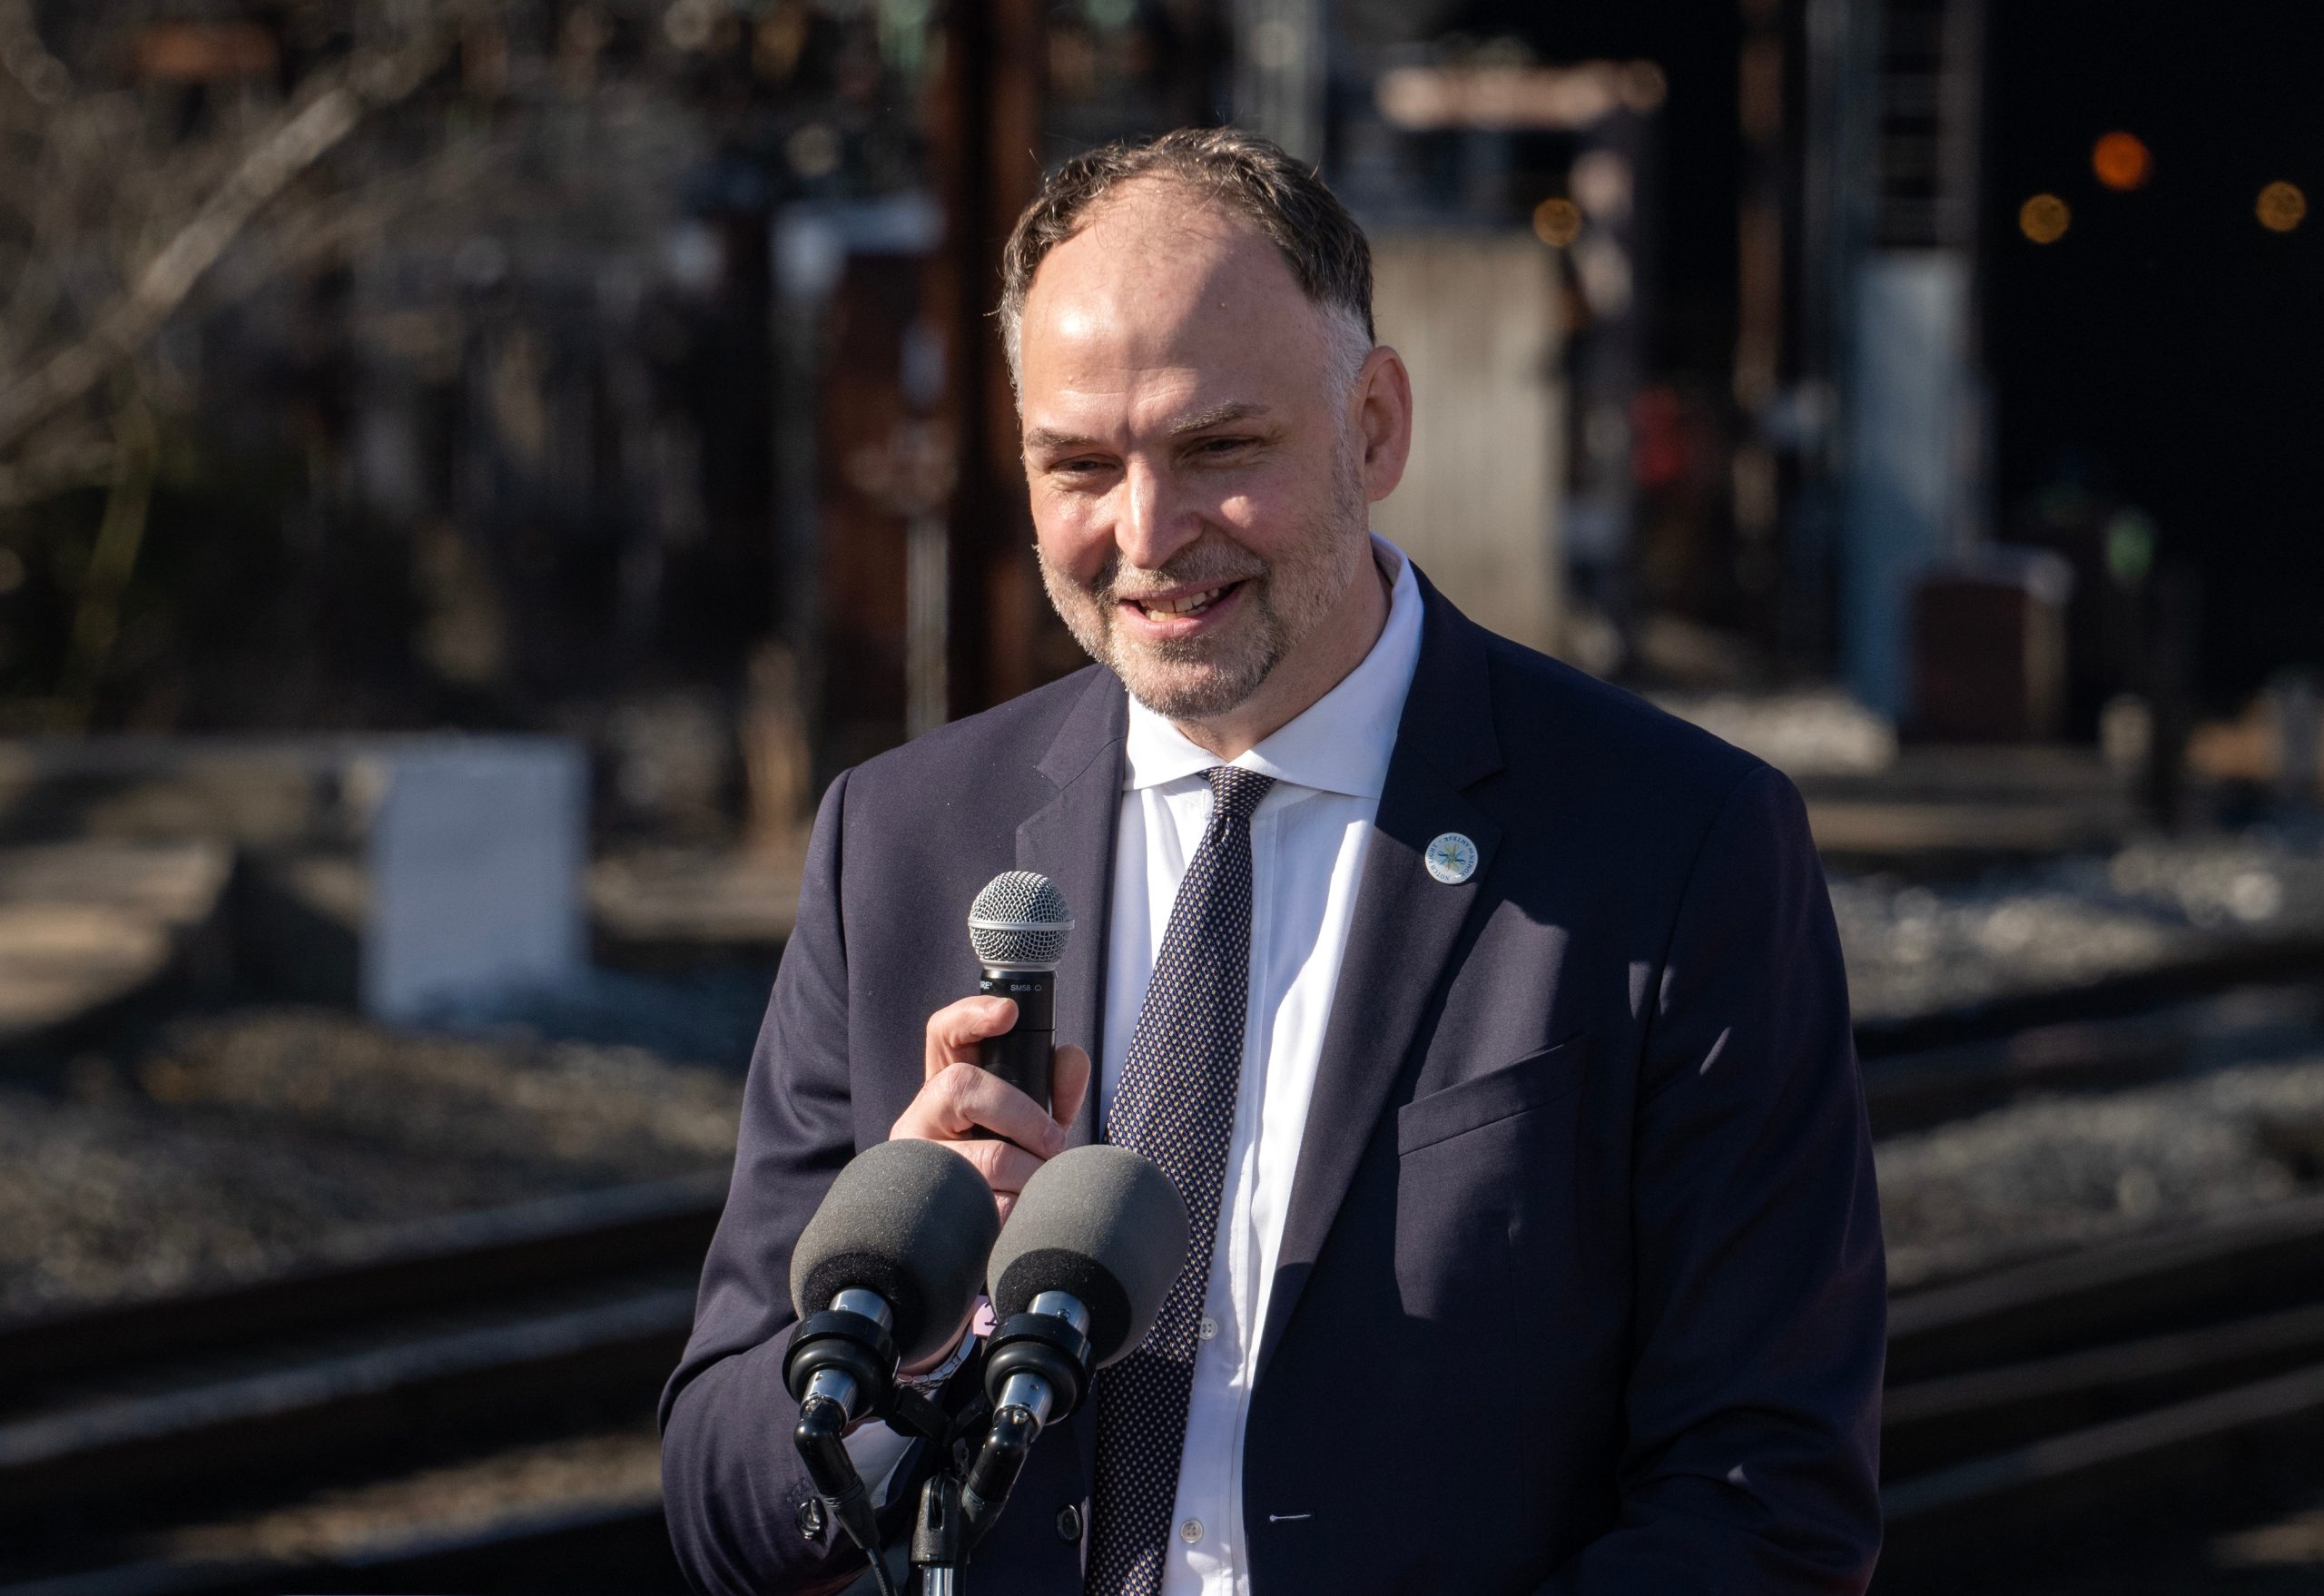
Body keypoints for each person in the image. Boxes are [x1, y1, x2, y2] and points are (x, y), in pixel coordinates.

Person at [660, 127, 1885, 1596]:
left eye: (1219, 449)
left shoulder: (1674, 845)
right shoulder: (901, 842)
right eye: (1079, 464)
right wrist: (902, 1328)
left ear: (1374, 425)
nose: (1149, 533)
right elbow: (718, 1496)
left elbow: (1765, 1503)